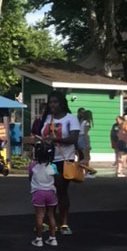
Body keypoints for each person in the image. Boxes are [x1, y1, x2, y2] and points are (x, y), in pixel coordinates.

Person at [40, 93, 80, 233]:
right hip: (47, 158)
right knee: (47, 190)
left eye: (55, 102)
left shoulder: (71, 119)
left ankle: (63, 223)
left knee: (61, 190)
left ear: (62, 103)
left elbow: (73, 139)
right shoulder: (47, 118)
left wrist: (55, 140)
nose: (53, 105)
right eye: (50, 102)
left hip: (64, 159)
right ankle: (48, 222)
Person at [29, 140, 58, 247]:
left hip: (38, 193)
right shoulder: (53, 166)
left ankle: (39, 239)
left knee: (39, 216)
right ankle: (53, 238)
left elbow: (30, 177)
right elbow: (55, 177)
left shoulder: (33, 166)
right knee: (51, 215)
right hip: (51, 192)